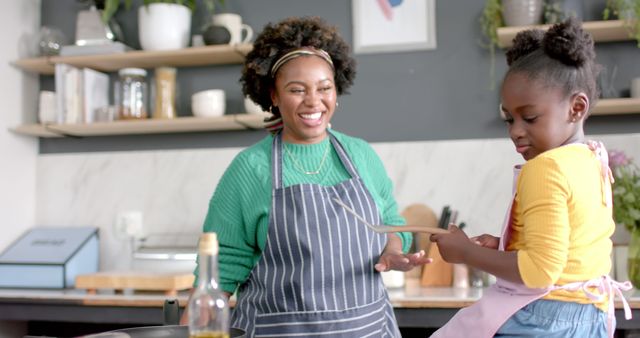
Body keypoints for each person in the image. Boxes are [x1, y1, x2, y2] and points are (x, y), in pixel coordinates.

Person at [182, 16, 431, 337]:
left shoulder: (362, 155)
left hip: (366, 329)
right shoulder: (249, 169)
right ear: (273, 95)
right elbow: (222, 264)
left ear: (336, 90)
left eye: (324, 88)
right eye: (297, 90)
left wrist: (394, 251)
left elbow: (392, 224)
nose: (313, 101)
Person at [429, 18, 631, 338]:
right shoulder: (592, 158)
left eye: (530, 117)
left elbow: (539, 272)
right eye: (509, 119)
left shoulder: (545, 167)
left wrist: (466, 254)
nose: (515, 131)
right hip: (589, 315)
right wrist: (504, 246)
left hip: (544, 319)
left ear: (576, 108)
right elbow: (568, 249)